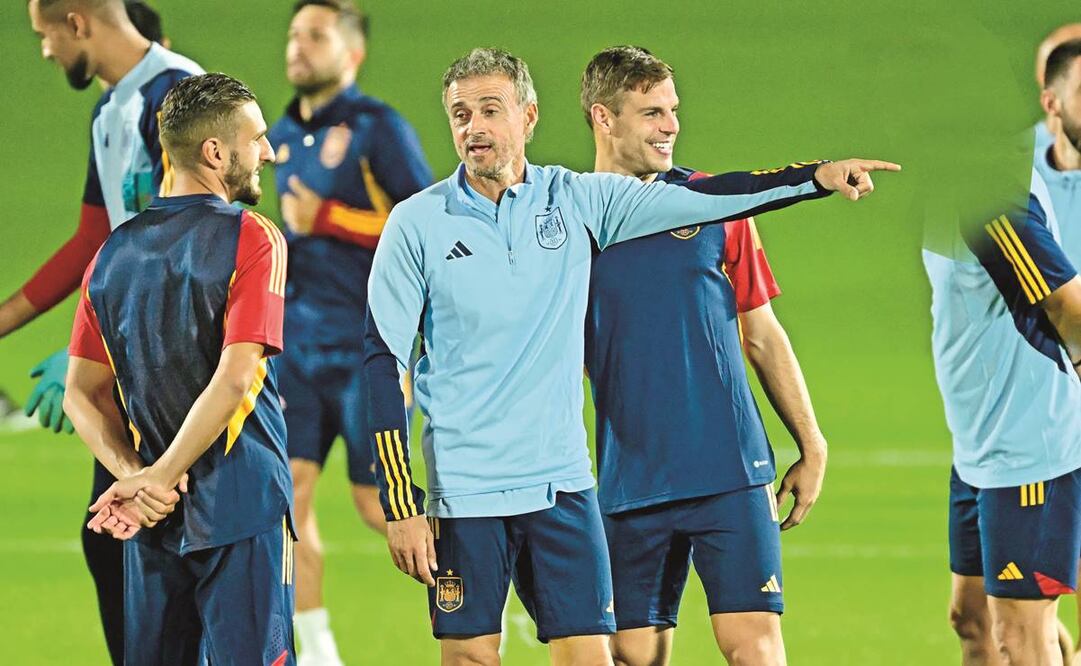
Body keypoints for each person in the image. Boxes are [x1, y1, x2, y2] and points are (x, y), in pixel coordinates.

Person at [363, 47, 898, 666]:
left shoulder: (581, 202)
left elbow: (716, 203)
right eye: (460, 114)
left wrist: (817, 176)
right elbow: (382, 360)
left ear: (528, 117)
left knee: (605, 657)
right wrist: (400, 503)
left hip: (571, 486)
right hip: (478, 490)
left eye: (490, 109)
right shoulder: (418, 223)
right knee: (489, 658)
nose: (474, 127)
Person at [579, 45, 827, 666]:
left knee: (755, 649)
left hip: (729, 472)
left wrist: (811, 441)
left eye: (673, 110)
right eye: (652, 112)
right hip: (629, 478)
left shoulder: (716, 205)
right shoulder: (568, 223)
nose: (671, 126)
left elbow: (762, 333)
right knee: (633, 656)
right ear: (603, 119)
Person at [64, 72, 295, 666]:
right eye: (257, 138)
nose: (268, 151)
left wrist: (134, 476)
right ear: (216, 152)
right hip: (242, 507)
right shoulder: (254, 239)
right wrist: (161, 475)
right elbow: (237, 377)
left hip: (152, 524)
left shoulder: (110, 255)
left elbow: (79, 395)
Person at [17, 1, 202, 661]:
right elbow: (96, 242)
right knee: (118, 538)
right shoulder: (110, 110)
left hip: (186, 365)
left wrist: (92, 356)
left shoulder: (176, 96)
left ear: (76, 21)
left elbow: (189, 244)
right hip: (137, 363)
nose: (44, 52)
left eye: (44, 36)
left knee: (178, 546)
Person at [267, 2, 431, 662]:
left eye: (315, 35)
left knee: (380, 505)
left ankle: (489, 588)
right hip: (296, 351)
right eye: (293, 35)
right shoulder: (279, 131)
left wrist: (330, 216)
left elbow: (425, 225)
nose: (297, 46)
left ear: (352, 53)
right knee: (287, 499)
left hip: (370, 350)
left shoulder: (377, 128)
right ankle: (316, 648)